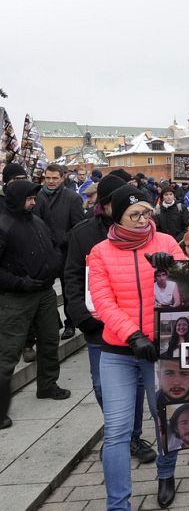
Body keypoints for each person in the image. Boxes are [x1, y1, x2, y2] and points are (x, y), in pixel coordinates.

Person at [87, 184, 186, 508]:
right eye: (134, 214)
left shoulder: (167, 243)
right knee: (115, 431)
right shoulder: (101, 252)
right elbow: (103, 302)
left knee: (164, 420)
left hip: (161, 350)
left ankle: (166, 473)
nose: (144, 219)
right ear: (117, 217)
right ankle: (118, 504)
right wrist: (133, 335)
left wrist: (171, 269)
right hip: (119, 351)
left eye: (146, 211)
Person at [0, 181, 71, 431]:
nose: (33, 202)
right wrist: (20, 283)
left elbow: (52, 246)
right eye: (29, 199)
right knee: (7, 353)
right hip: (16, 298)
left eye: (34, 198)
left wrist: (55, 264)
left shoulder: (36, 221)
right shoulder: (4, 225)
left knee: (50, 340)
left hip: (45, 293)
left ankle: (48, 385)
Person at [34, 163, 84, 340]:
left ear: (62, 178)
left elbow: (78, 228)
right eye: (48, 178)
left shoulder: (72, 198)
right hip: (42, 252)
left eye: (55, 178)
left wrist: (62, 239)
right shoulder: (38, 196)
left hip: (65, 252)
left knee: (67, 289)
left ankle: (70, 323)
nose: (51, 181)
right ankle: (52, 323)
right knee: (44, 290)